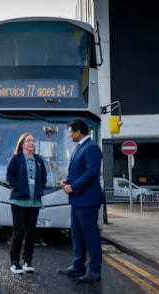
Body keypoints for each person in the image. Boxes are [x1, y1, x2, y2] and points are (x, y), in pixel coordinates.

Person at [58, 118, 104, 283]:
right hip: (78, 199)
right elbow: (80, 170)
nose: (69, 135)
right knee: (77, 235)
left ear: (78, 132)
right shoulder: (80, 147)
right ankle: (78, 266)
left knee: (91, 236)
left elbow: (92, 172)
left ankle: (95, 270)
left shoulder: (91, 148)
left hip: (87, 200)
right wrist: (67, 180)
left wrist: (73, 186)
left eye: (71, 131)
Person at [6, 133, 47, 274]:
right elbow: (9, 176)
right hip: (19, 200)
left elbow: (43, 178)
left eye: (33, 141)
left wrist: (39, 190)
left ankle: (28, 261)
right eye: (28, 141)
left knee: (31, 232)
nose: (31, 143)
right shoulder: (16, 158)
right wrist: (18, 187)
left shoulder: (39, 160)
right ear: (22, 144)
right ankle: (14, 262)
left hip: (34, 202)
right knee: (19, 231)